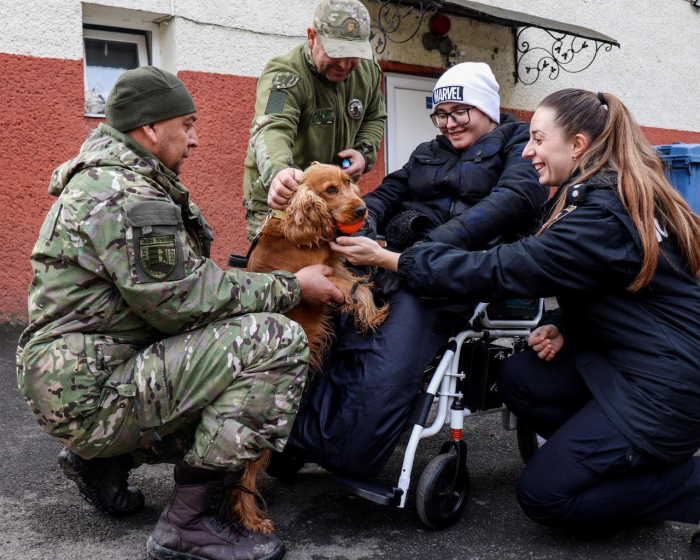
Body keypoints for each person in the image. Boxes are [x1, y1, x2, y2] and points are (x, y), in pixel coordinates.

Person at [331, 88, 700, 548]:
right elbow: (630, 288)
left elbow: (502, 268)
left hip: (666, 390)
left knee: (545, 497)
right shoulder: (611, 192)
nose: (527, 151)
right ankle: (620, 464)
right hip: (630, 359)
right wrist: (567, 325)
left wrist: (395, 260)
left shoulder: (601, 214)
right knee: (521, 376)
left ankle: (683, 482)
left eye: (539, 140)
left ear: (578, 146)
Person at [16, 66, 344, 560]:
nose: (195, 140)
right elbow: (184, 300)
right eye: (187, 125)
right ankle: (189, 521)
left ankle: (102, 460)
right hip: (92, 391)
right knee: (276, 340)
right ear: (150, 128)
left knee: (228, 360)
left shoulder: (119, 179)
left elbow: (175, 295)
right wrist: (290, 286)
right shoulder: (126, 194)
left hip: (83, 376)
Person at [271, 62, 547, 478]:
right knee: (337, 328)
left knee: (390, 342)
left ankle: (343, 452)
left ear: (487, 108)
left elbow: (512, 200)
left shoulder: (518, 143)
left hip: (455, 271)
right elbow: (385, 195)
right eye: (441, 113)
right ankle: (300, 439)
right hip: (396, 263)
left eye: (460, 112)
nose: (449, 123)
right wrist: (357, 226)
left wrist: (424, 250)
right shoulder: (428, 152)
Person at [242, 0, 387, 240]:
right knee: (283, 275)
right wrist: (279, 172)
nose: (344, 65)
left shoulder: (368, 70)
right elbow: (272, 127)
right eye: (336, 53)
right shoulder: (284, 75)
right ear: (312, 38)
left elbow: (374, 116)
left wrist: (364, 153)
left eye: (353, 56)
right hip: (284, 201)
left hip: (336, 201)